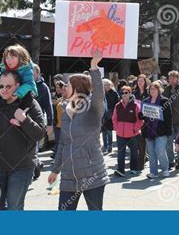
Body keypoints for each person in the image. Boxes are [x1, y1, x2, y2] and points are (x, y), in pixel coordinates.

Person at [48, 50, 110, 211]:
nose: (64, 87)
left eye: (67, 85)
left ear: (77, 88)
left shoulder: (93, 107)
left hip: (93, 176)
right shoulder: (65, 109)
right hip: (69, 177)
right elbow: (62, 144)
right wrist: (55, 170)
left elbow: (98, 93)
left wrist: (94, 67)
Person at [0, 70, 46, 210]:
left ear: (18, 85)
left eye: (8, 86)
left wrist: (25, 120)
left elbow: (39, 134)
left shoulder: (30, 104)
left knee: (14, 206)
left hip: (21, 167)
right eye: (1, 86)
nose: (4, 90)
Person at [0, 44, 38, 125]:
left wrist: (18, 93)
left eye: (12, 58)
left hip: (24, 91)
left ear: (20, 58)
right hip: (9, 90)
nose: (9, 61)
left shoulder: (27, 68)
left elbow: (29, 83)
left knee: (29, 95)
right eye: (7, 58)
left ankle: (20, 118)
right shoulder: (4, 68)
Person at [140, 81, 173, 179]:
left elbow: (169, 117)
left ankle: (165, 169)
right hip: (148, 131)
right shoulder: (145, 101)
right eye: (150, 89)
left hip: (161, 131)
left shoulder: (164, 101)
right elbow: (142, 115)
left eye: (154, 89)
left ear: (159, 90)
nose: (152, 90)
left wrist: (168, 131)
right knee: (151, 152)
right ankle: (153, 172)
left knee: (159, 150)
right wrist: (141, 115)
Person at [112, 85, 143, 176]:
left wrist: (135, 129)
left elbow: (140, 120)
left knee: (134, 152)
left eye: (126, 93)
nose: (124, 95)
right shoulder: (117, 105)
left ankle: (134, 168)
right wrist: (116, 128)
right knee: (120, 152)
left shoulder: (136, 105)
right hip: (120, 134)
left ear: (130, 93)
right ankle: (120, 170)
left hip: (133, 134)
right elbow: (114, 118)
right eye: (122, 93)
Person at [33, 64, 53, 180]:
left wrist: (50, 123)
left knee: (34, 146)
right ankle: (36, 165)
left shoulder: (43, 87)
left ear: (37, 73)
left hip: (37, 121)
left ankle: (34, 168)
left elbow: (49, 106)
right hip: (23, 120)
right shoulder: (24, 85)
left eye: (32, 72)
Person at [133, 74, 150, 171]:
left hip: (146, 116)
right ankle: (144, 154)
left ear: (145, 82)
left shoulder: (148, 92)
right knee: (139, 137)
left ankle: (145, 154)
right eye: (138, 81)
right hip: (137, 117)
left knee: (145, 136)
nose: (140, 82)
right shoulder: (135, 92)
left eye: (142, 81)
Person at [102, 78, 120, 154]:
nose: (107, 86)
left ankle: (110, 146)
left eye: (108, 85)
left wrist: (114, 112)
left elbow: (117, 103)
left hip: (111, 114)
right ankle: (105, 146)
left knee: (109, 131)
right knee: (103, 131)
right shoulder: (101, 93)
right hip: (103, 114)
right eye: (105, 85)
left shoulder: (114, 93)